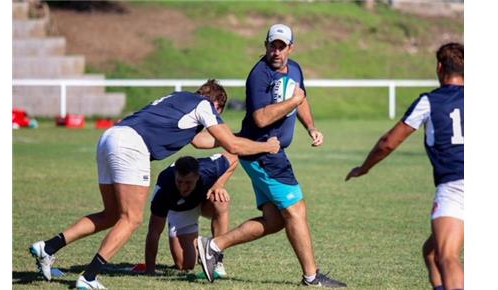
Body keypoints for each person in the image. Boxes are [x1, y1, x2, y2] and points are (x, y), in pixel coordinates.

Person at [29, 79, 280, 289]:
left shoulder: (179, 99)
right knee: (132, 219)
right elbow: (233, 147)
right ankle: (89, 277)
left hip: (110, 137)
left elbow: (201, 142)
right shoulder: (205, 106)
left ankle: (48, 247)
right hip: (132, 146)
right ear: (217, 106)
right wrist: (266, 146)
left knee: (111, 214)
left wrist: (234, 137)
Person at [196, 24, 347, 287]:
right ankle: (312, 277)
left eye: (281, 46)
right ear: (265, 45)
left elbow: (303, 99)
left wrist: (311, 127)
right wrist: (293, 101)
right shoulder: (259, 75)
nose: (276, 51)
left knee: (275, 220)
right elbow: (261, 118)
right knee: (296, 210)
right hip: (262, 153)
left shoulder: (296, 68)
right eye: (272, 45)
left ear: (290, 48)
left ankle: (213, 245)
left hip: (273, 153)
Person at [345, 42, 464, 290]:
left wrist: (364, 168)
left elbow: (388, 143)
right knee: (431, 254)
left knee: (447, 256)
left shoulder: (429, 102)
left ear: (439, 67)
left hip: (456, 186)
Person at [144, 152, 237, 277]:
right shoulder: (164, 188)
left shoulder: (209, 168)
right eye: (179, 182)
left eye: (188, 182)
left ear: (198, 176)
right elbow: (154, 231)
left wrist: (219, 184)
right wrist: (150, 269)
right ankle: (201, 248)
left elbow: (234, 158)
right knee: (185, 265)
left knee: (221, 200)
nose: (183, 187)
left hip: (205, 202)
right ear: (175, 175)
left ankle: (217, 259)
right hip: (181, 210)